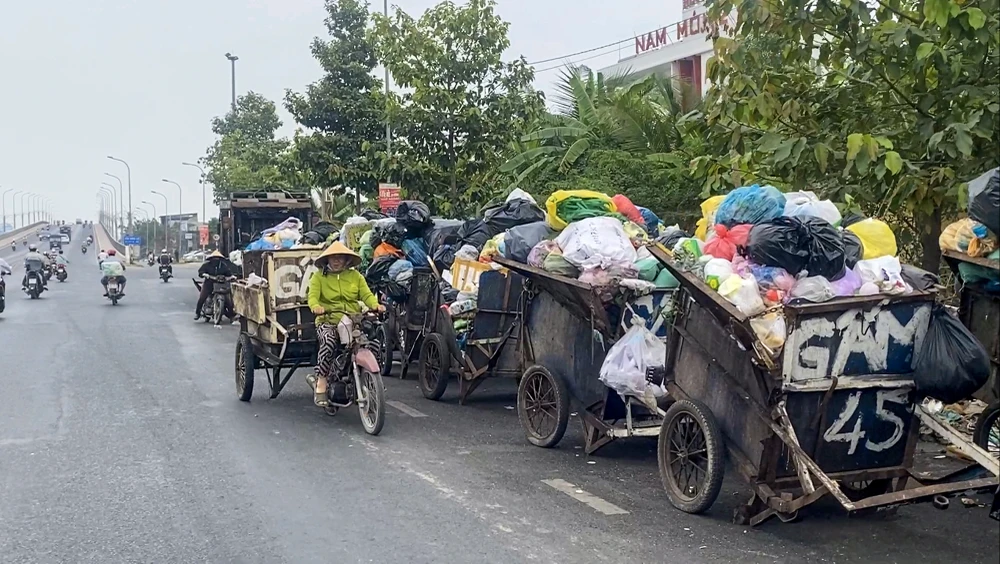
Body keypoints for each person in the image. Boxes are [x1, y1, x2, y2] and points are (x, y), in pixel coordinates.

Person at [307, 241, 384, 407]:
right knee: (328, 342)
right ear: (327, 260)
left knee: (374, 342)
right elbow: (312, 297)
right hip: (328, 320)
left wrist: (375, 305)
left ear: (346, 260)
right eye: (333, 257)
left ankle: (371, 380)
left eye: (340, 257)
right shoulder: (318, 277)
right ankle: (321, 381)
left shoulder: (356, 276)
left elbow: (367, 295)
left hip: (354, 319)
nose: (336, 261)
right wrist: (316, 307)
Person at [194, 250, 238, 321]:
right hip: (208, 284)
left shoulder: (223, 266)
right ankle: (197, 313)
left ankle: (231, 315)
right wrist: (204, 274)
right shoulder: (207, 265)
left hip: (220, 284)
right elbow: (200, 272)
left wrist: (232, 277)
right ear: (211, 258)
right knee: (202, 297)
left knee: (228, 300)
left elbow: (229, 273)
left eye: (217, 258)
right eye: (214, 258)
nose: (216, 259)